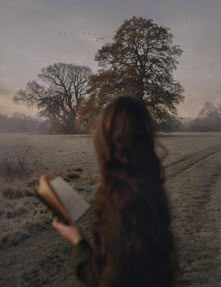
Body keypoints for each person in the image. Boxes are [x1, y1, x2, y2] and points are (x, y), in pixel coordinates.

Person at [52, 96, 177, 287]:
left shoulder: (122, 203)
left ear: (107, 142)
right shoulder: (151, 188)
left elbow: (105, 279)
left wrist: (76, 240)